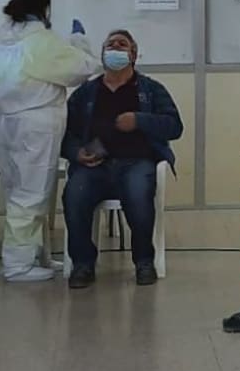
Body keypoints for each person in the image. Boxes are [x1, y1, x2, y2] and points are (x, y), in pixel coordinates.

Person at [0, 0, 99, 282]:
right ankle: (18, 265)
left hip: (7, 123)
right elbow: (83, 68)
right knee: (31, 195)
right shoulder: (41, 41)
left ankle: (35, 255)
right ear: (44, 6)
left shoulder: (0, 39)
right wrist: (79, 42)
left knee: (17, 191)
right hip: (35, 126)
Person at [62, 30, 183, 288]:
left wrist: (139, 120)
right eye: (110, 45)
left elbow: (174, 126)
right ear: (102, 54)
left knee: (139, 194)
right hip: (94, 166)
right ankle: (82, 264)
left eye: (122, 44)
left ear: (133, 55)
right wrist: (76, 153)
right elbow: (65, 133)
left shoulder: (150, 90)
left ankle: (144, 261)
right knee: (74, 194)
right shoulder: (86, 93)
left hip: (136, 162)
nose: (115, 48)